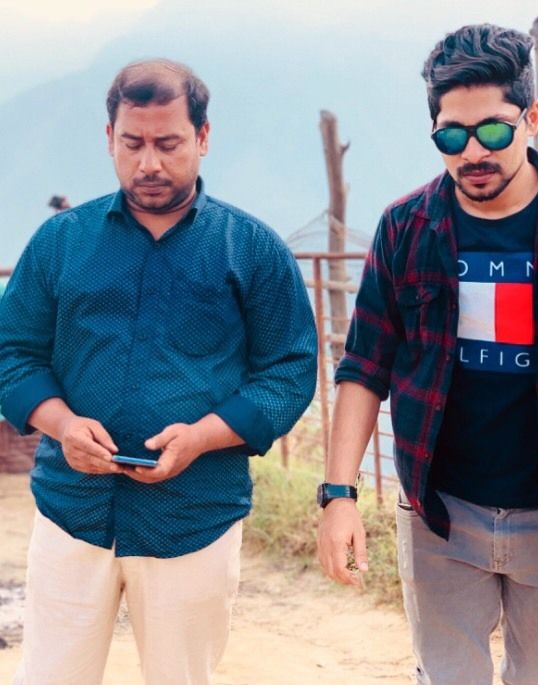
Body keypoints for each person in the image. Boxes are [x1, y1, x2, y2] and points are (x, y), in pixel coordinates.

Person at [317, 24, 538, 685]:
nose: (473, 151)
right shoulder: (405, 228)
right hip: (438, 511)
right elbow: (364, 366)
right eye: (451, 136)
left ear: (531, 116)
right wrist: (338, 495)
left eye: (492, 130)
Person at [0, 58, 317, 685]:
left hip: (194, 515)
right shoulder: (60, 242)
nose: (149, 163)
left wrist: (201, 437)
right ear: (108, 138)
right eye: (133, 143)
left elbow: (289, 370)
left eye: (169, 144)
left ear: (203, 136)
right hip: (71, 511)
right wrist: (62, 426)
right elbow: (12, 352)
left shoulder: (252, 249)